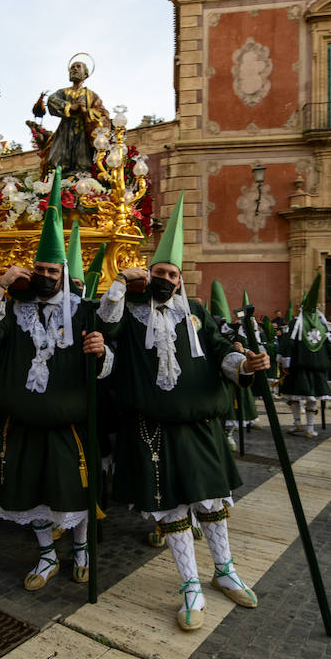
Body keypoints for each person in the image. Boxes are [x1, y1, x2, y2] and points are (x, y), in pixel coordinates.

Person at [99, 195, 269, 629]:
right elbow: (105, 326)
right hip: (151, 427)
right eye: (159, 272)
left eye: (172, 274)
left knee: (211, 502)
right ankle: (190, 584)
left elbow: (218, 350)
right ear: (148, 275)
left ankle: (225, 570)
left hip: (200, 425)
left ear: (180, 281)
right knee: (171, 509)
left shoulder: (195, 312)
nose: (166, 279)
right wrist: (121, 281)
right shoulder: (130, 312)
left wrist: (243, 364)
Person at [0, 172, 109, 589]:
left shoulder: (86, 311)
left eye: (52, 269)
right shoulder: (15, 309)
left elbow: (108, 358)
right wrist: (0, 285)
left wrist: (101, 352)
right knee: (29, 492)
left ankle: (84, 550)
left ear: (64, 272)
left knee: (74, 490)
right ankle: (47, 555)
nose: (45, 275)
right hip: (21, 422)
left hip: (69, 424)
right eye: (39, 268)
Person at [279, 272, 331, 439]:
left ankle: (299, 424)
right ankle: (308, 427)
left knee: (295, 397)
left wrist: (283, 362)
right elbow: (330, 347)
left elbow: (288, 344)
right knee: (311, 398)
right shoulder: (322, 325)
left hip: (298, 368)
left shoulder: (297, 323)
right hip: (314, 370)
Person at [40, 56, 109, 176]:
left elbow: (103, 114)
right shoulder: (63, 92)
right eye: (72, 67)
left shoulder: (91, 95)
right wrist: (70, 107)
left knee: (81, 164)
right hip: (64, 131)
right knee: (56, 162)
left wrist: (86, 111)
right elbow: (51, 100)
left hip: (83, 132)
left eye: (78, 67)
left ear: (86, 74)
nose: (74, 69)